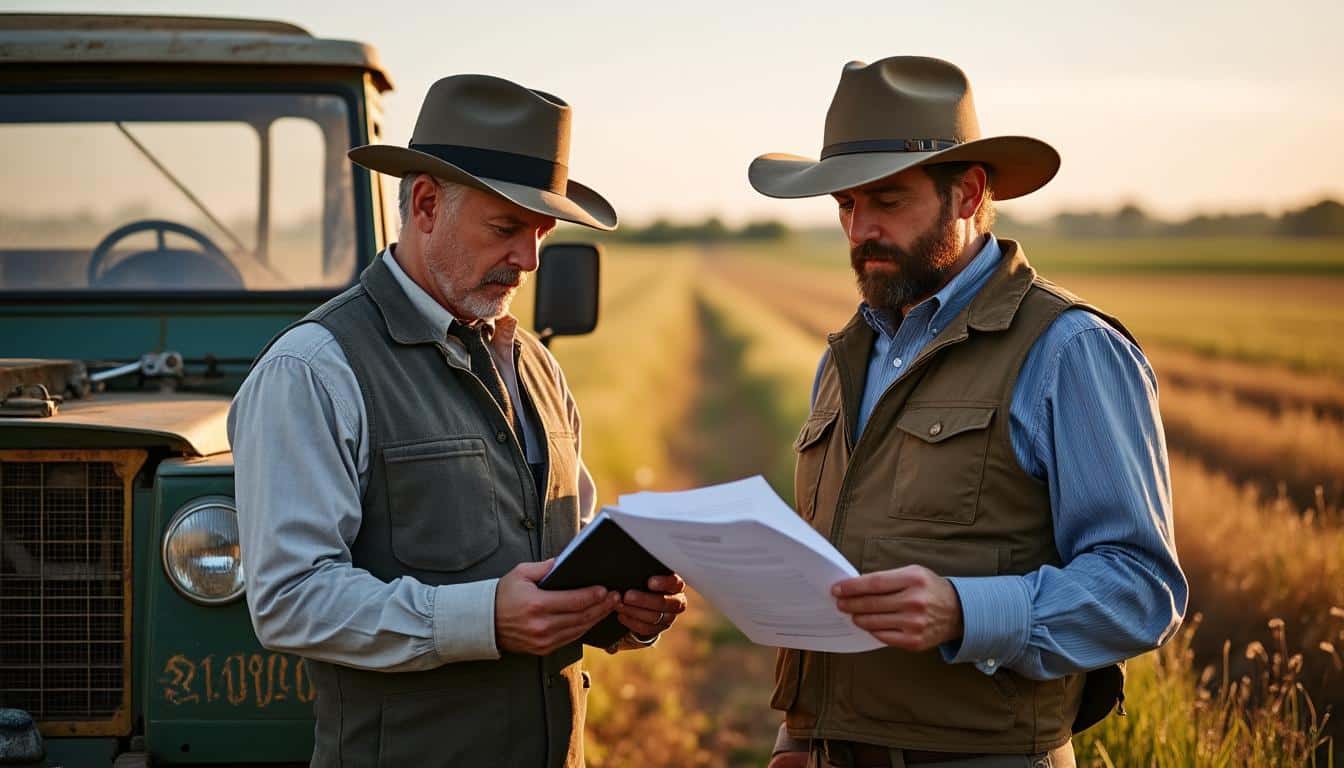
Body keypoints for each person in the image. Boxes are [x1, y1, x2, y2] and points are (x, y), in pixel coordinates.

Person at [228, 74, 686, 768]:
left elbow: (560, 549)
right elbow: (290, 598)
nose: (527, 260)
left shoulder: (535, 364)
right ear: (425, 203)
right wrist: (482, 620)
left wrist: (623, 612)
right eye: (506, 228)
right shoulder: (314, 369)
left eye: (539, 233)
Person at [749, 56, 1187, 768]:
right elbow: (835, 565)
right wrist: (796, 737)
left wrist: (965, 611)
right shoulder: (846, 356)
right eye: (844, 207)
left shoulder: (1068, 349)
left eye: (886, 201)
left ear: (968, 193)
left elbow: (1141, 589)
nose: (860, 230)